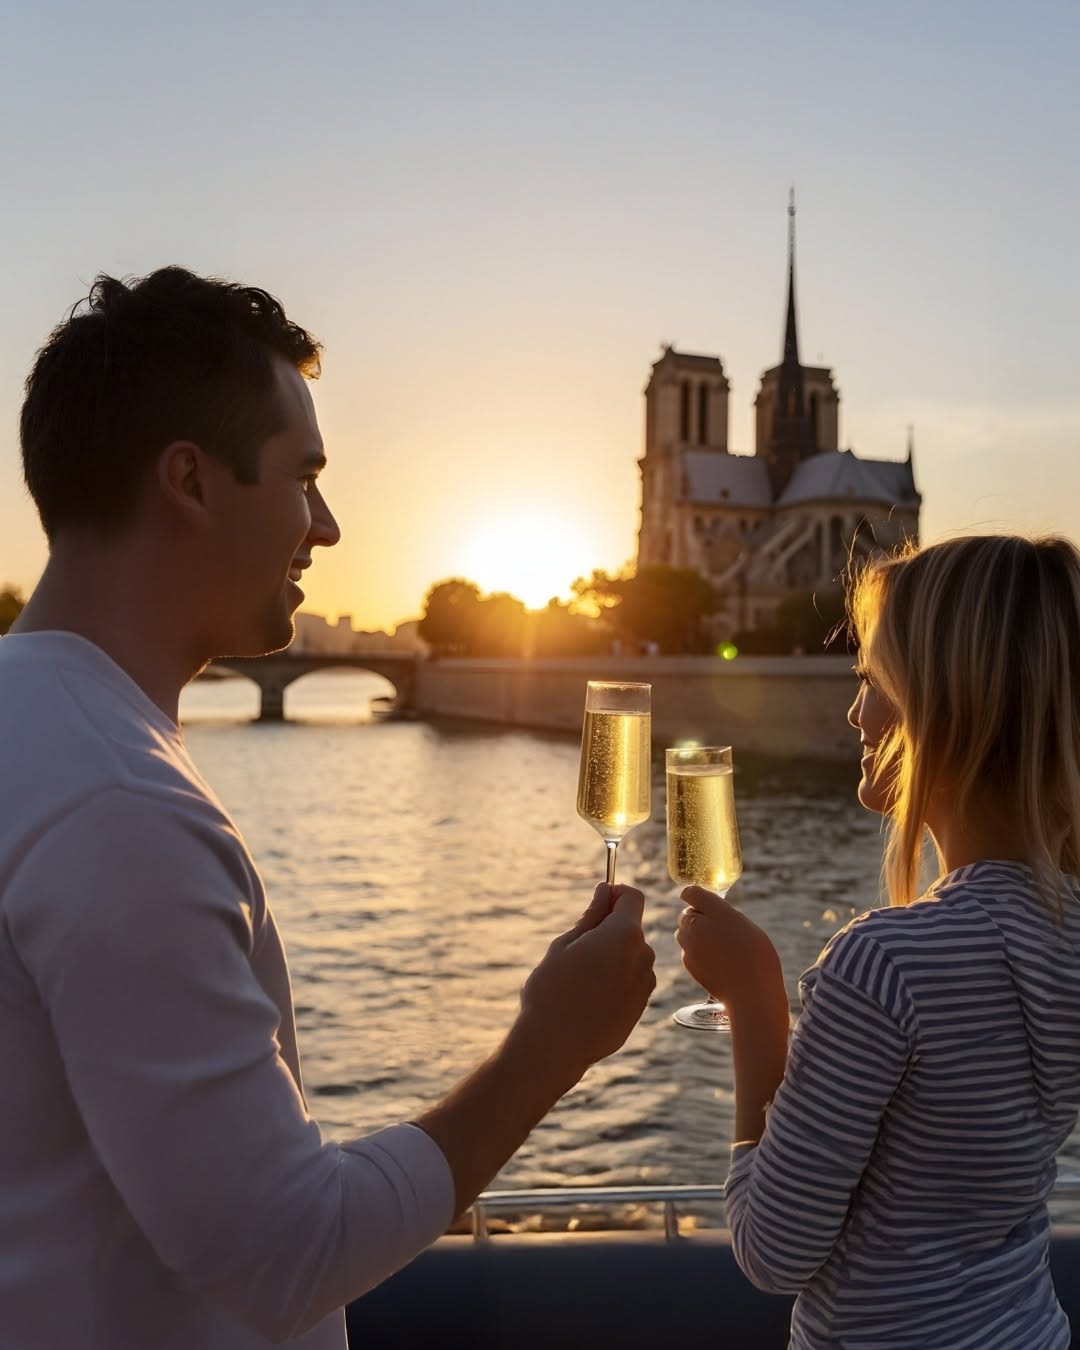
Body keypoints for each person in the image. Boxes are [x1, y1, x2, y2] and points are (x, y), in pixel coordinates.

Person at [0, 267, 656, 1349]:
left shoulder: (45, 731)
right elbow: (283, 1250)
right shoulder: (120, 802)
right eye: (304, 477)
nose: (330, 525)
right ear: (191, 482)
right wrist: (553, 1045)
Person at [677, 534, 1080, 1349]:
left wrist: (756, 1003)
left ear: (948, 702)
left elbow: (771, 1250)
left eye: (873, 682)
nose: (856, 713)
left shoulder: (883, 964)